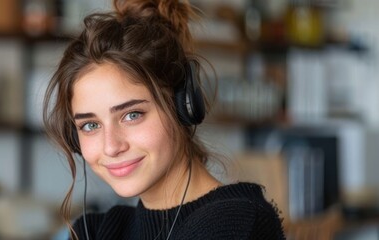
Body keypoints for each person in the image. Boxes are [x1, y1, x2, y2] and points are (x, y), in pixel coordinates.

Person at [42, 0, 285, 239]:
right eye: (90, 125)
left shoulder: (235, 224)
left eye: (131, 115)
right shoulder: (95, 231)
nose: (111, 146)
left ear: (182, 105)